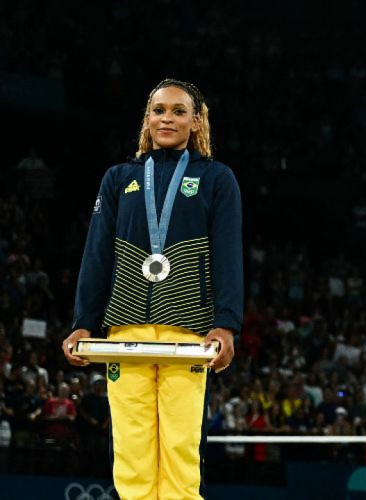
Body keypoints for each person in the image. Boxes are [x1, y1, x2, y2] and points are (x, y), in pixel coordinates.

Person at [62, 78, 243, 499]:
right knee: (131, 453)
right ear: (147, 118)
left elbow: (228, 256)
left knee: (180, 450)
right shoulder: (118, 178)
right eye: (159, 109)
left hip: (188, 332)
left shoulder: (217, 179)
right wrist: (83, 323)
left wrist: (227, 323)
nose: (168, 118)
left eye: (179, 111)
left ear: (196, 121)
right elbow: (96, 255)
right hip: (125, 332)